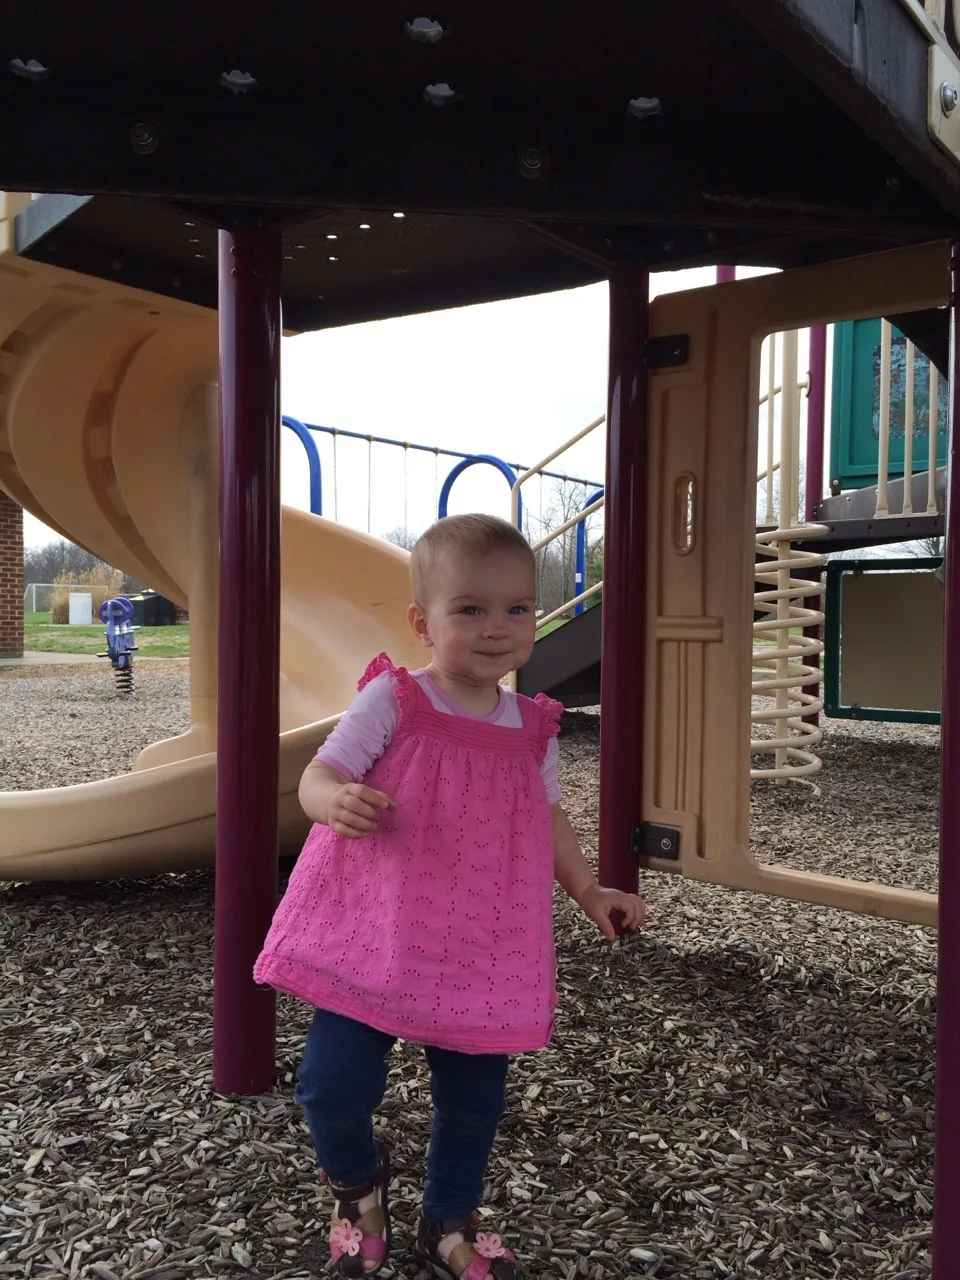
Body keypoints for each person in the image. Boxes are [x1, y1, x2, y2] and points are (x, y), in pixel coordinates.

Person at [254, 513, 646, 1280]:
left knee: (473, 1101)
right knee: (331, 1084)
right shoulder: (396, 702)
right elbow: (321, 772)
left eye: (517, 609)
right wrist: (331, 800)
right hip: (382, 931)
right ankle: (357, 1186)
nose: (497, 628)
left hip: (483, 941)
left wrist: (589, 889)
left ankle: (449, 1216)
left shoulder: (533, 726)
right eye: (470, 609)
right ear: (422, 623)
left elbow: (548, 817)